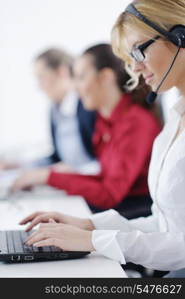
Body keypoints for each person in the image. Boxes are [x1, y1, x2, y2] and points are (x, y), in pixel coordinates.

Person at [18, 0, 185, 277]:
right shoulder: (173, 126)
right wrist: (88, 226)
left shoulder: (141, 123)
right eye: (129, 57)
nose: (134, 67)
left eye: (138, 51)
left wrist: (93, 241)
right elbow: (167, 225)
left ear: (180, 36)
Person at [11, 44, 161, 215]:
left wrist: (48, 177)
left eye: (81, 77)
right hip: (118, 210)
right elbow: (103, 179)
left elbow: (109, 194)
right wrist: (47, 177)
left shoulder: (136, 122)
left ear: (105, 77)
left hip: (135, 215)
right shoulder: (105, 122)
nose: (75, 87)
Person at [0, 48, 98, 174]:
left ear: (62, 72)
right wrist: (19, 165)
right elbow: (57, 158)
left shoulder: (88, 105)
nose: (39, 86)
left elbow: (104, 161)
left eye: (41, 77)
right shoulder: (55, 111)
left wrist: (72, 172)